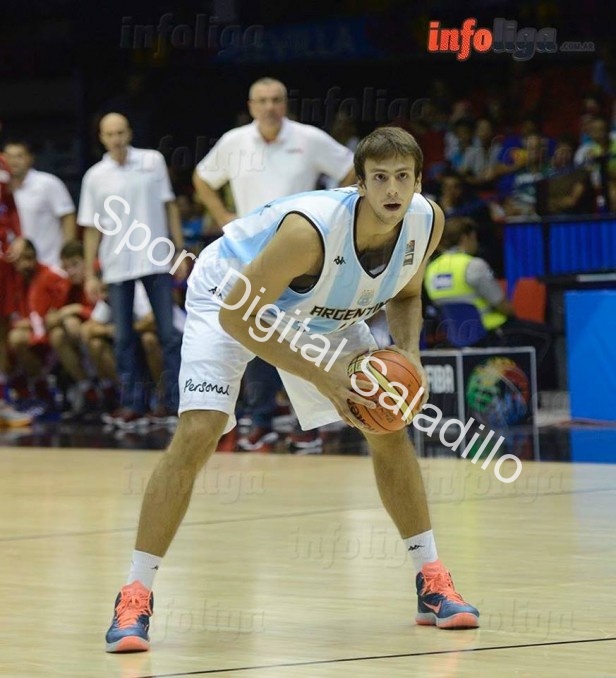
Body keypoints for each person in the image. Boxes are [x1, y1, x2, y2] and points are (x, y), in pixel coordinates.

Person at [104, 126, 480, 654]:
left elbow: (407, 292)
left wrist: (409, 354)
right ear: (359, 184)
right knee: (200, 430)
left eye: (402, 178)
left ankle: (432, 580)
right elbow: (240, 317)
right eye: (379, 178)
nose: (392, 190)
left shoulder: (426, 221)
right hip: (231, 295)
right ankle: (134, 594)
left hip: (320, 308)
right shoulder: (310, 233)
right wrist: (324, 377)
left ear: (419, 181)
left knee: (387, 423)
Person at [193, 77, 356, 452]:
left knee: (303, 337)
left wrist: (332, 205)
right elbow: (202, 179)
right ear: (251, 106)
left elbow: (350, 167)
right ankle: (261, 421)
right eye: (262, 100)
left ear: (286, 104)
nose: (270, 107)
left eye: (277, 100)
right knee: (257, 334)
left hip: (302, 255)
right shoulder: (235, 142)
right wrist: (221, 214)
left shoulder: (308, 138)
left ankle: (311, 424)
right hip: (250, 256)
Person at [78, 113, 187, 428]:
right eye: (110, 134)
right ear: (101, 137)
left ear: (130, 132)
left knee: (169, 335)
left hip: (156, 261)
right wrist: (90, 272)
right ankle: (132, 405)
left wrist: (179, 250)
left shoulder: (152, 161)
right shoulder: (95, 176)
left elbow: (169, 205)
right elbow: (90, 229)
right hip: (116, 265)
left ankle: (177, 404)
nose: (116, 139)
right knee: (123, 339)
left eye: (121, 132)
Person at [424, 216, 553, 386]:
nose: (476, 243)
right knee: (545, 334)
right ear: (465, 237)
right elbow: (503, 305)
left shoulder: (431, 269)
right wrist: (512, 313)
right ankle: (532, 389)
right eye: (474, 237)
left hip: (455, 335)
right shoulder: (473, 266)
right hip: (491, 332)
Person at [3, 140, 76, 267]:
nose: (13, 162)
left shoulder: (48, 183)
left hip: (50, 263)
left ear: (30, 158)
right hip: (15, 268)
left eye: (19, 156)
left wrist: (67, 255)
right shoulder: (2, 191)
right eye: (9, 157)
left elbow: (67, 216)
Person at [0, 153, 30, 427]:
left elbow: (9, 205)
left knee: (2, 328)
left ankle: (0, 401)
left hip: (2, 260)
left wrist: (19, 236)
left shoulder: (3, 165)